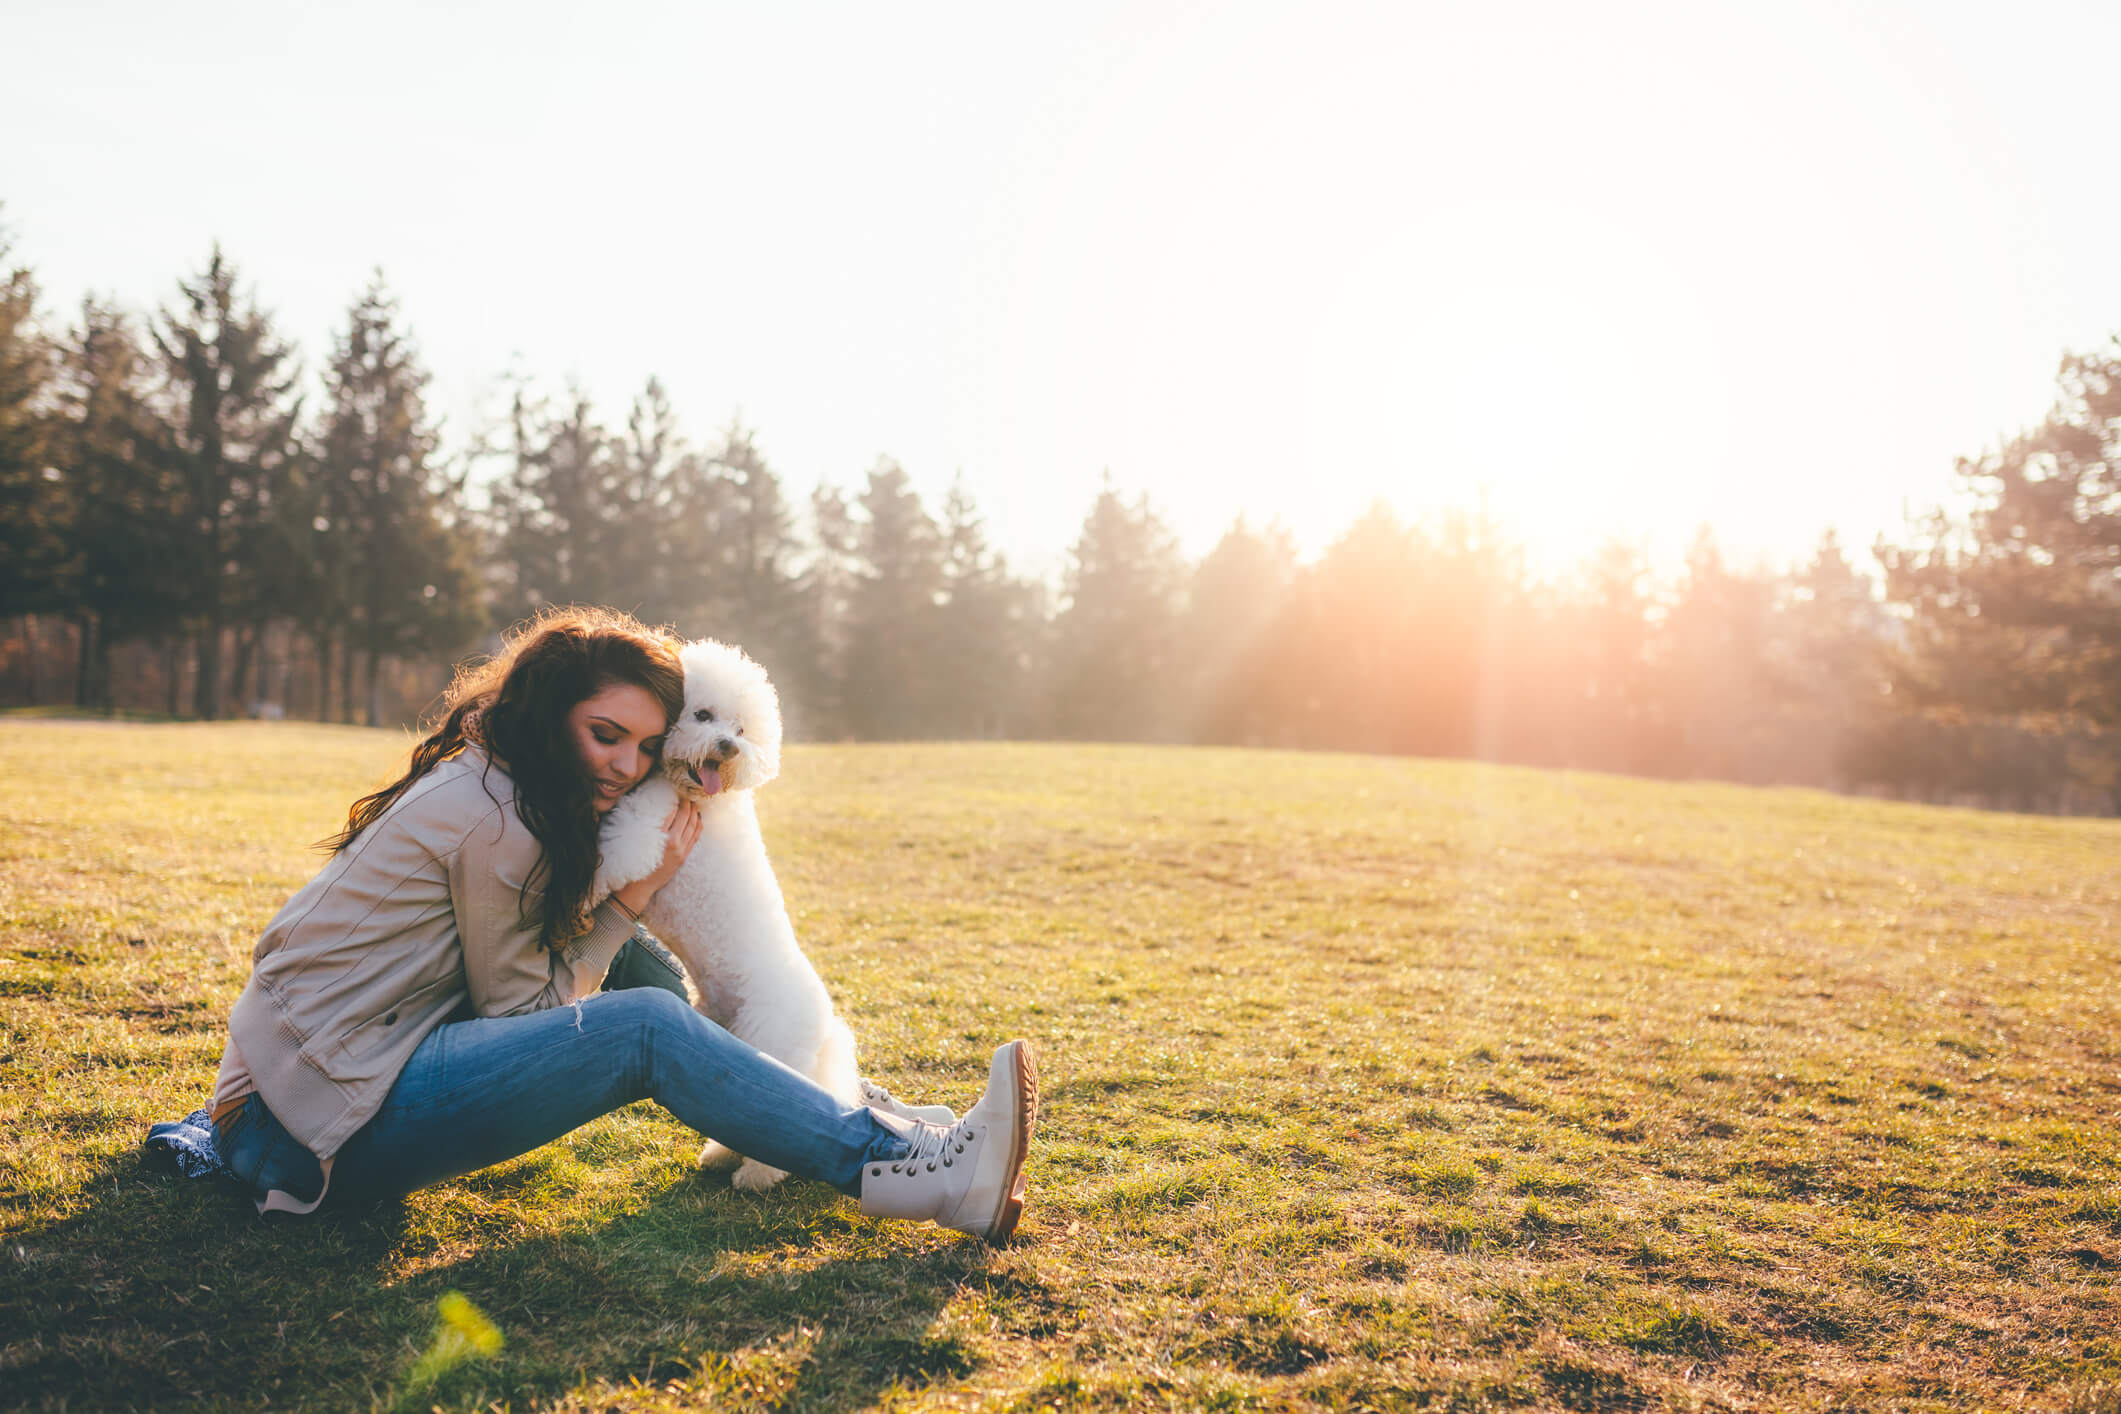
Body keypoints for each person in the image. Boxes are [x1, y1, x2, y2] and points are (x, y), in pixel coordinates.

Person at [202, 607, 1036, 1241]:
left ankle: (873, 1117)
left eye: (644, 745)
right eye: (606, 736)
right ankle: (914, 1174)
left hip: (312, 1083)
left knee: (644, 971)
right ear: (549, 711)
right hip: (303, 1132)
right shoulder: (494, 820)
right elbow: (518, 1013)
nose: (627, 766)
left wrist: (623, 920)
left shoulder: (497, 775)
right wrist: (632, 900)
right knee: (644, 1026)